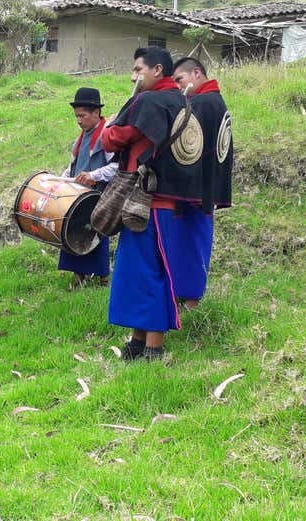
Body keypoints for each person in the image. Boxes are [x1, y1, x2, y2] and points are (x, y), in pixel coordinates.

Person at [100, 46, 197, 361]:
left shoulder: (148, 101)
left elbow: (111, 140)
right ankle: (137, 341)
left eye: (138, 70)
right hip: (171, 203)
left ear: (157, 70)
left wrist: (108, 126)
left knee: (146, 272)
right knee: (145, 270)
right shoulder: (183, 102)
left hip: (145, 201)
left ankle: (154, 348)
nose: (133, 77)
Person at [170, 56, 234, 310]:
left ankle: (191, 300)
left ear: (196, 73)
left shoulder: (203, 103)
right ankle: (185, 297)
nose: (177, 86)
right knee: (190, 242)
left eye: (180, 79)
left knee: (191, 243)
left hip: (194, 190)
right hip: (204, 189)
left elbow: (187, 146)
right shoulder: (214, 100)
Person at [58, 87, 118, 288]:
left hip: (98, 197)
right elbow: (73, 166)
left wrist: (93, 175)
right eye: (76, 116)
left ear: (96, 112)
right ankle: (78, 276)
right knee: (71, 229)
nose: (78, 120)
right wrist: (61, 179)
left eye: (82, 116)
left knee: (96, 235)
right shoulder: (80, 139)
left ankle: (102, 278)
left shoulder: (107, 136)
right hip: (77, 196)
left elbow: (118, 167)